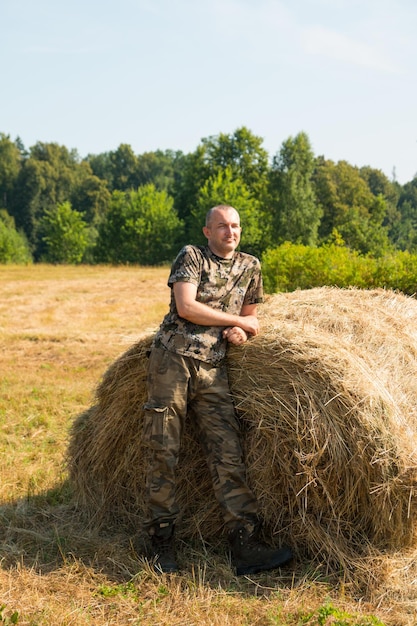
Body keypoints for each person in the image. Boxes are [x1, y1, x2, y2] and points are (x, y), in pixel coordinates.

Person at [143, 204, 292, 575]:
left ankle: (245, 544)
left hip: (214, 368)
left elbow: (251, 317)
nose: (231, 231)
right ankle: (161, 543)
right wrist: (237, 320)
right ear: (208, 231)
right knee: (163, 448)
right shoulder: (192, 256)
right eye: (222, 226)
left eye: (236, 225)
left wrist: (242, 330)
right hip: (172, 361)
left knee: (228, 453)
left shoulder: (251, 266)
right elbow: (187, 306)